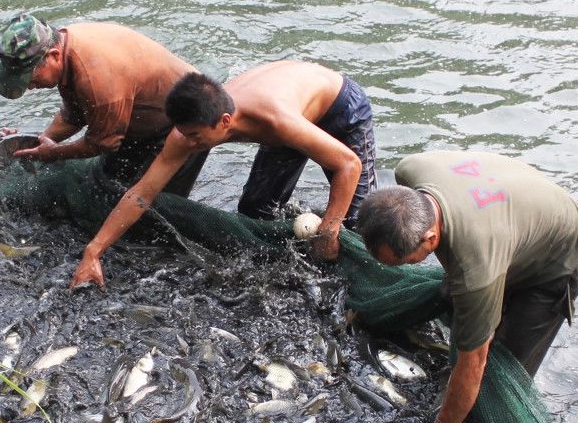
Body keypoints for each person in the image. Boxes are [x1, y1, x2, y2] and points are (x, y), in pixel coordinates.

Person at [355, 151, 578, 423]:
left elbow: (474, 363)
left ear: (430, 238)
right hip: (510, 219)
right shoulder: (410, 170)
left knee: (501, 367)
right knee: (460, 300)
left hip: (560, 254)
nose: (406, 267)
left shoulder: (476, 270)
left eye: (406, 262)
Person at [71, 62, 377, 288]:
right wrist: (94, 250)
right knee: (255, 213)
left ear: (225, 121)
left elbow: (348, 165)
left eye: (195, 136)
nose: (187, 143)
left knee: (360, 225)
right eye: (183, 133)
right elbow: (141, 193)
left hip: (340, 108)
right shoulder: (186, 133)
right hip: (293, 118)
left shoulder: (274, 119)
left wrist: (329, 230)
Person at [0, 13, 208, 195]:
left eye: (29, 76)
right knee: (111, 188)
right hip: (138, 118)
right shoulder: (63, 44)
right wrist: (38, 142)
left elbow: (103, 143)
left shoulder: (96, 78)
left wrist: (54, 153)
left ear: (53, 56)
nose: (28, 86)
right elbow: (73, 116)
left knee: (152, 207)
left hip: (189, 123)